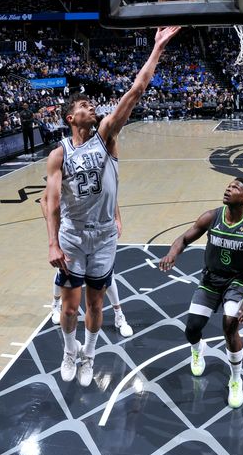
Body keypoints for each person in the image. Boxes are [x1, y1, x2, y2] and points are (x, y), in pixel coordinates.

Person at [45, 25, 180, 387]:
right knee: (70, 308)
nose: (92, 106)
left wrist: (157, 49)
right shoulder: (59, 153)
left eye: (92, 104)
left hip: (104, 236)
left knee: (95, 306)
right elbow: (51, 201)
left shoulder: (107, 135)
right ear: (71, 118)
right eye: (83, 105)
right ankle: (69, 351)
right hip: (72, 236)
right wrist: (53, 242)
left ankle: (89, 356)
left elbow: (136, 90)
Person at [159, 178, 243, 409]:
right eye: (228, 185)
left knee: (230, 325)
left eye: (235, 188)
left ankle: (236, 379)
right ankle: (198, 349)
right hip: (210, 280)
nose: (229, 189)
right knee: (191, 329)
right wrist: (173, 253)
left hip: (236, 282)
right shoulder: (211, 217)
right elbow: (184, 238)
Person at [41, 186, 132, 337]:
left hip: (99, 233)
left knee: (108, 277)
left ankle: (119, 315)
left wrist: (117, 218)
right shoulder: (64, 167)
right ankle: (56, 306)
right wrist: (55, 230)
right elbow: (45, 199)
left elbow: (110, 194)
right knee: (64, 270)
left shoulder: (100, 167)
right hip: (73, 234)